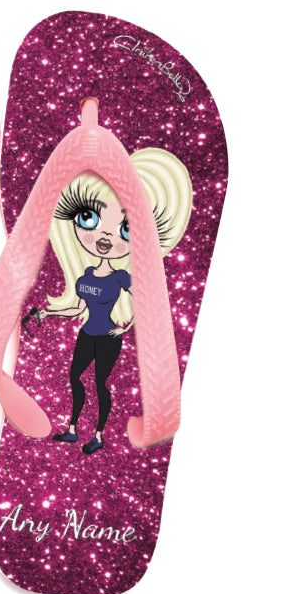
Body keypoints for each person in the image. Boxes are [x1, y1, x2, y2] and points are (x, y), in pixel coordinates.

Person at [40, 148, 192, 454]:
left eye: (126, 228)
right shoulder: (85, 275)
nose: (106, 235)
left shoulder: (121, 277)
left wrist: (126, 328)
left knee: (100, 384)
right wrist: (50, 313)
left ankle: (98, 435)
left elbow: (145, 302)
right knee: (75, 377)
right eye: (89, 218)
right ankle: (72, 429)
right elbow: (79, 308)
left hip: (108, 338)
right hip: (87, 334)